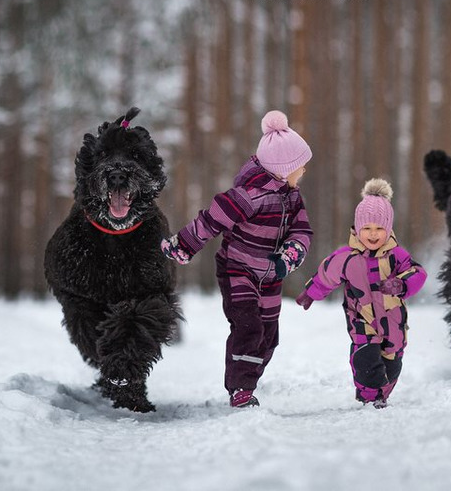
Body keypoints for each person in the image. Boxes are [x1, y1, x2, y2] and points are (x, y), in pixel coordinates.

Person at [161, 110, 312, 408]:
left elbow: (302, 230)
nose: (304, 172)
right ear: (283, 169)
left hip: (270, 277)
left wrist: (291, 254)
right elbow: (211, 220)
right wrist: (185, 245)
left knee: (269, 336)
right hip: (238, 270)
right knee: (248, 328)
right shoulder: (248, 196)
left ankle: (249, 377)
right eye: (301, 167)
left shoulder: (293, 198)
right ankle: (241, 389)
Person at [296, 178, 426, 409]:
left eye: (379, 228)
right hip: (361, 319)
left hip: (393, 321)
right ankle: (369, 395)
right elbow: (326, 274)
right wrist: (311, 292)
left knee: (392, 361)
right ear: (357, 228)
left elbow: (418, 273)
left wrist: (401, 284)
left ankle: (382, 393)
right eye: (367, 228)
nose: (373, 234)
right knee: (365, 357)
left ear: (388, 229)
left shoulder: (396, 255)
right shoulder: (346, 256)